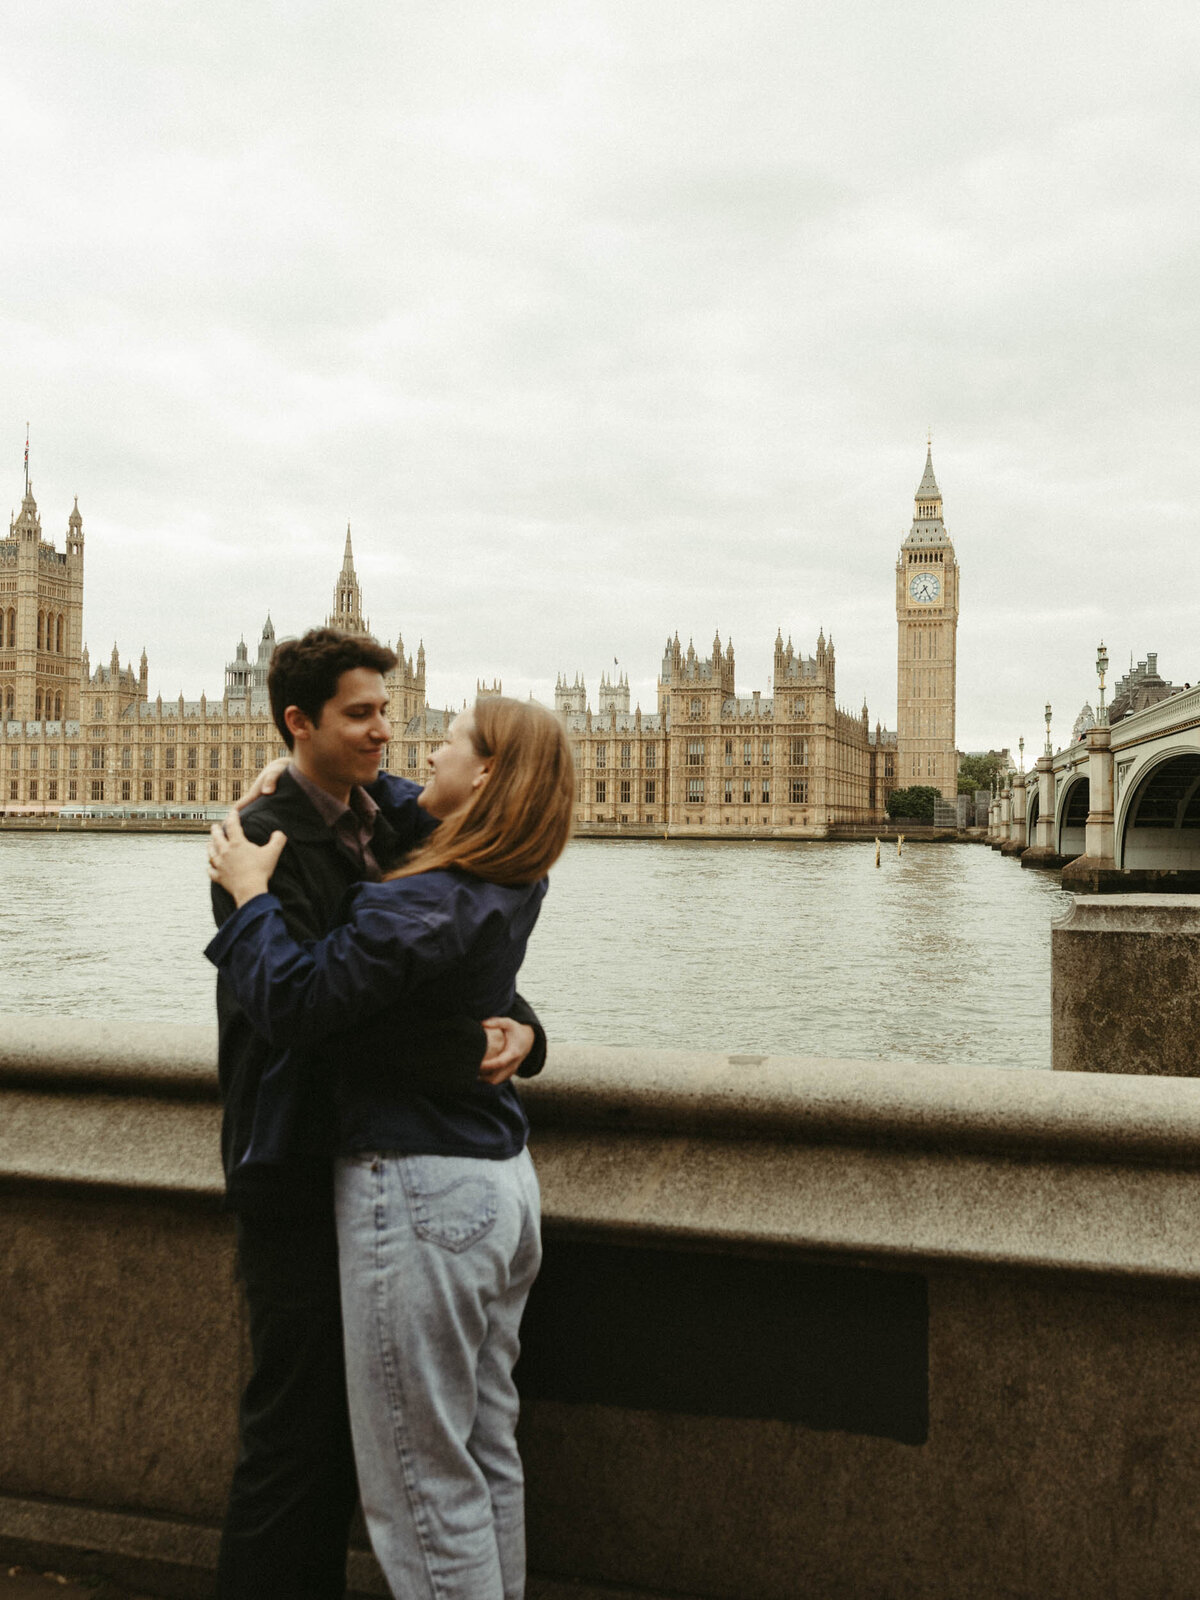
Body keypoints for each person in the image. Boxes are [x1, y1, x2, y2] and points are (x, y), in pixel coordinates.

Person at [207, 694, 573, 1600]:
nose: (417, 750)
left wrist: (251, 896)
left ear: (484, 774)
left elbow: (296, 1004)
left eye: (443, 741)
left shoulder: (420, 899)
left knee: (422, 1494)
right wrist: (303, 779)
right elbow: (427, 804)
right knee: (487, 1460)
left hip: (421, 1193)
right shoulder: (512, 873)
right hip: (502, 1183)